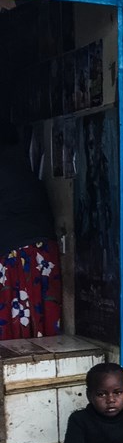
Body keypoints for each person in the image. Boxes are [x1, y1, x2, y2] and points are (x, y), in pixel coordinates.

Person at [0, 129, 62, 339]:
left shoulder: (7, 168)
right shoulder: (19, 164)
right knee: (41, 314)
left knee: (18, 320)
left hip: (21, 253)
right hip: (41, 250)